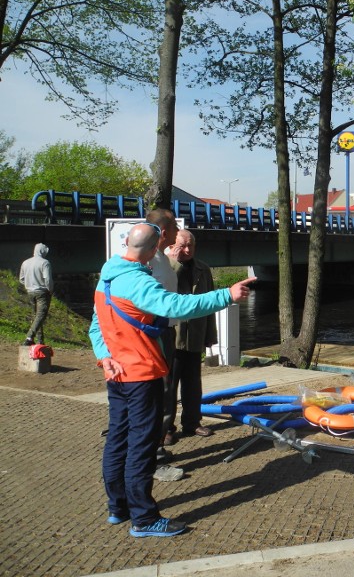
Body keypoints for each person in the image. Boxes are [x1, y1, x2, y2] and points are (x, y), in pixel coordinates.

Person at [89, 222, 254, 538]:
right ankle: (144, 519)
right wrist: (227, 295)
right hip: (141, 375)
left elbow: (96, 326)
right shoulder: (138, 282)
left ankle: (117, 507)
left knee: (117, 441)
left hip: (116, 374)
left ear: (127, 243)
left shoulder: (107, 275)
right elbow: (176, 306)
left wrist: (103, 356)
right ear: (152, 251)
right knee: (141, 446)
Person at [163, 230, 217, 443]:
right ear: (172, 245)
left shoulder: (203, 269)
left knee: (193, 384)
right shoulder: (163, 267)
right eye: (182, 246)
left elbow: (209, 304)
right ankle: (166, 427)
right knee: (169, 385)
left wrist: (210, 334)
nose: (186, 250)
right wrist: (174, 263)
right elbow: (164, 292)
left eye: (190, 246)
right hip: (172, 336)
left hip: (195, 334)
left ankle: (192, 422)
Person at [144, 209, 183, 480]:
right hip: (155, 334)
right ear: (166, 232)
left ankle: (152, 450)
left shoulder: (159, 258)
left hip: (164, 332)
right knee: (160, 393)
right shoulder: (148, 261)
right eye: (175, 228)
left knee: (166, 393)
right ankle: (153, 459)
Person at [19, 243, 54, 346]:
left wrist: (29, 285)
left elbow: (21, 279)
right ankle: (29, 337)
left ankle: (40, 341)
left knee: (36, 316)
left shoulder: (25, 263)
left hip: (30, 292)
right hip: (42, 293)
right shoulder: (45, 263)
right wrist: (50, 290)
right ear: (42, 251)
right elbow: (47, 279)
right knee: (40, 315)